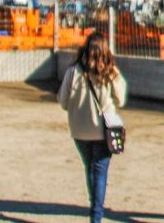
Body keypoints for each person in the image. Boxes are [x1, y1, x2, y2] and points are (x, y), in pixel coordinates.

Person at [58, 32, 128, 223]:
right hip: (104, 130)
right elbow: (121, 99)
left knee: (90, 167)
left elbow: (63, 102)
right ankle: (96, 214)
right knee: (100, 171)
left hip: (79, 130)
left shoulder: (73, 71)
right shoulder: (110, 72)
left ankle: (94, 205)